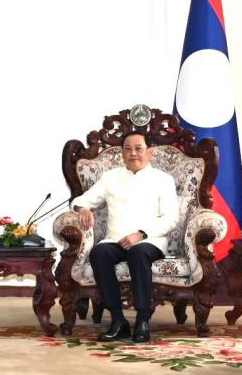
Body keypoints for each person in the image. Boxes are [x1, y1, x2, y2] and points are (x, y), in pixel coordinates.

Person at [72, 133, 179, 343]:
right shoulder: (110, 177)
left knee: (138, 253)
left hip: (150, 240)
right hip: (116, 240)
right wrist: (83, 208)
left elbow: (171, 218)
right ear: (122, 153)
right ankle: (118, 321)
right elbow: (82, 200)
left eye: (138, 148)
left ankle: (142, 320)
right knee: (99, 253)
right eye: (128, 149)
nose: (133, 153)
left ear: (150, 152)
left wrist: (141, 234)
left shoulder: (163, 179)